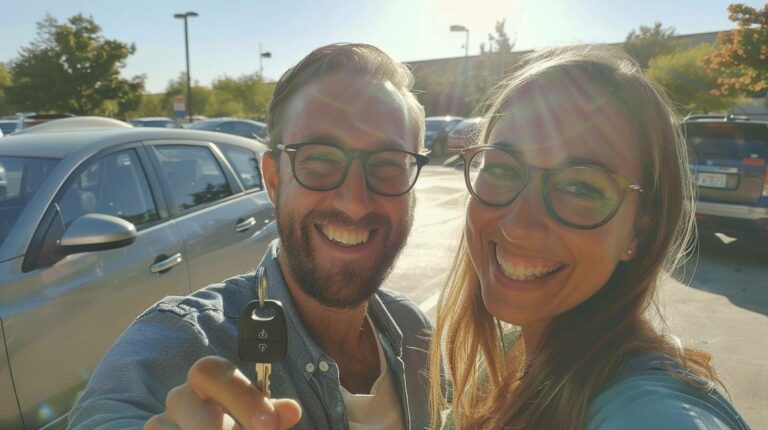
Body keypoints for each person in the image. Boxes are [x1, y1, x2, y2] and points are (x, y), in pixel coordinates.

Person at [67, 43, 433, 430]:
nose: (356, 203)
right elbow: (110, 413)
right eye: (321, 159)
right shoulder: (190, 339)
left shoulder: (413, 329)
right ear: (273, 179)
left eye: (389, 164)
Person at [427, 46, 751, 429]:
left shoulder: (647, 412)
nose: (519, 225)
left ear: (638, 231)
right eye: (502, 168)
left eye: (581, 187)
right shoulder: (508, 356)